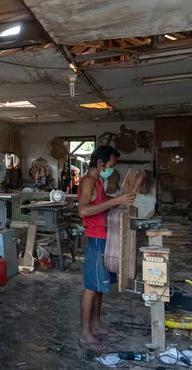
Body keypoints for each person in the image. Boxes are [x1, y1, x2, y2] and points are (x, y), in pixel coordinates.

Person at [77, 146, 135, 352]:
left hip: (104, 238)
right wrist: (116, 200)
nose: (111, 169)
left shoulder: (99, 183)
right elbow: (83, 210)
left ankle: (96, 325)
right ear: (100, 163)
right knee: (91, 288)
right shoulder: (88, 182)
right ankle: (85, 334)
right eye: (110, 165)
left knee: (99, 287)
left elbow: (100, 208)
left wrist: (118, 204)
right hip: (95, 240)